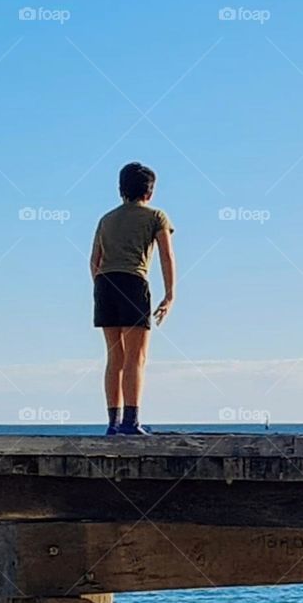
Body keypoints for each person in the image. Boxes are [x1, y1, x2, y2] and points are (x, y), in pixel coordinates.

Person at [90, 162, 176, 436]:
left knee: (114, 356)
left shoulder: (106, 219)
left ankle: (113, 424)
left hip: (105, 283)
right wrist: (170, 294)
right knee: (136, 357)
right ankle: (131, 421)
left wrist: (102, 286)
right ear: (149, 192)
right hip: (132, 281)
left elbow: (94, 261)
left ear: (120, 190)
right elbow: (166, 255)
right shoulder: (156, 216)